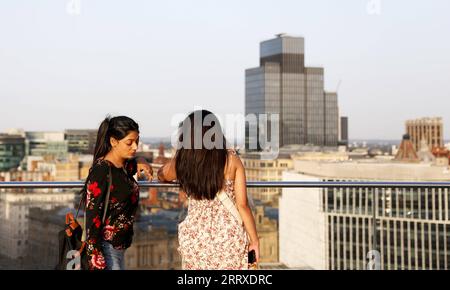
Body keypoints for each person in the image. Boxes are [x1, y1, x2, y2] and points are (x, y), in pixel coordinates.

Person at [158, 110, 259, 269]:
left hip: (196, 238)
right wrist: (255, 241)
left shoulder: (184, 161)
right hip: (229, 239)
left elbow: (161, 175)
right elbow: (243, 205)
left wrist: (178, 156)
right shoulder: (232, 160)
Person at [84, 116, 152, 270]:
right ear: (113, 142)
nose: (135, 146)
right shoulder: (101, 170)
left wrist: (142, 160)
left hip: (119, 247)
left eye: (137, 141)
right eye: (129, 142)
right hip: (106, 248)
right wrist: (95, 259)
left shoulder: (122, 166)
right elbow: (92, 216)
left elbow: (131, 167)